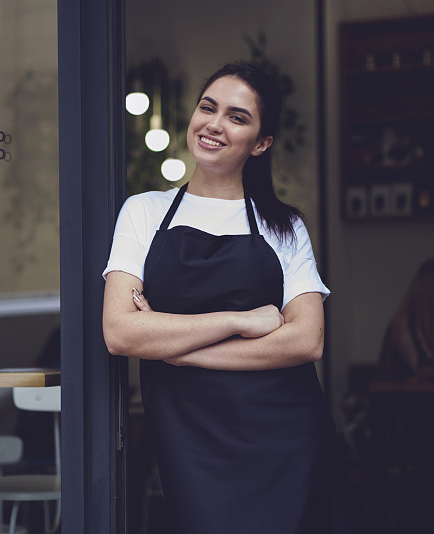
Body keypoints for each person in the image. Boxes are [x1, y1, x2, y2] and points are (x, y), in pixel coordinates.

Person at [102, 62, 342, 533]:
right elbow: (121, 331)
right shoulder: (144, 212)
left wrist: (180, 352)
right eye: (208, 107)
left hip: (286, 440)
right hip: (190, 442)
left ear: (261, 143)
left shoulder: (285, 226)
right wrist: (241, 320)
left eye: (237, 116)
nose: (214, 123)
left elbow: (306, 341)